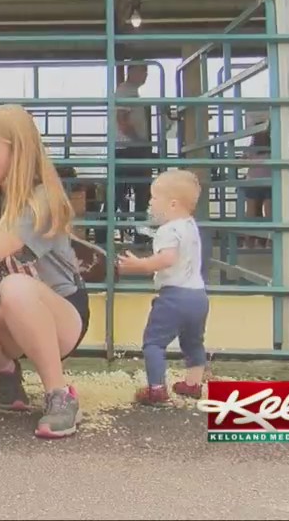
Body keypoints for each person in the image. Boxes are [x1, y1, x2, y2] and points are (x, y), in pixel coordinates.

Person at [0, 104, 89, 439]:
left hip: (60, 312)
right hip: (8, 309)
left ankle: (59, 396)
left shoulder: (44, 199)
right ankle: (8, 371)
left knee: (15, 287)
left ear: (17, 153)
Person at [117, 169, 210, 404]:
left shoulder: (168, 230)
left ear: (173, 204)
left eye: (154, 198)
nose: (150, 203)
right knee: (193, 342)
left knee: (154, 343)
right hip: (198, 296)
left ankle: (156, 388)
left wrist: (140, 265)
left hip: (174, 296)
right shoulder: (191, 226)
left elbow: (167, 259)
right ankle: (193, 384)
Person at [111, 62, 153, 244]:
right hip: (129, 149)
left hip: (128, 148)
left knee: (123, 191)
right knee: (137, 190)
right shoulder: (125, 91)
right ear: (133, 72)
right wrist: (139, 141)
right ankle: (140, 233)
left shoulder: (129, 92)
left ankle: (104, 231)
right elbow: (122, 120)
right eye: (143, 72)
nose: (145, 76)